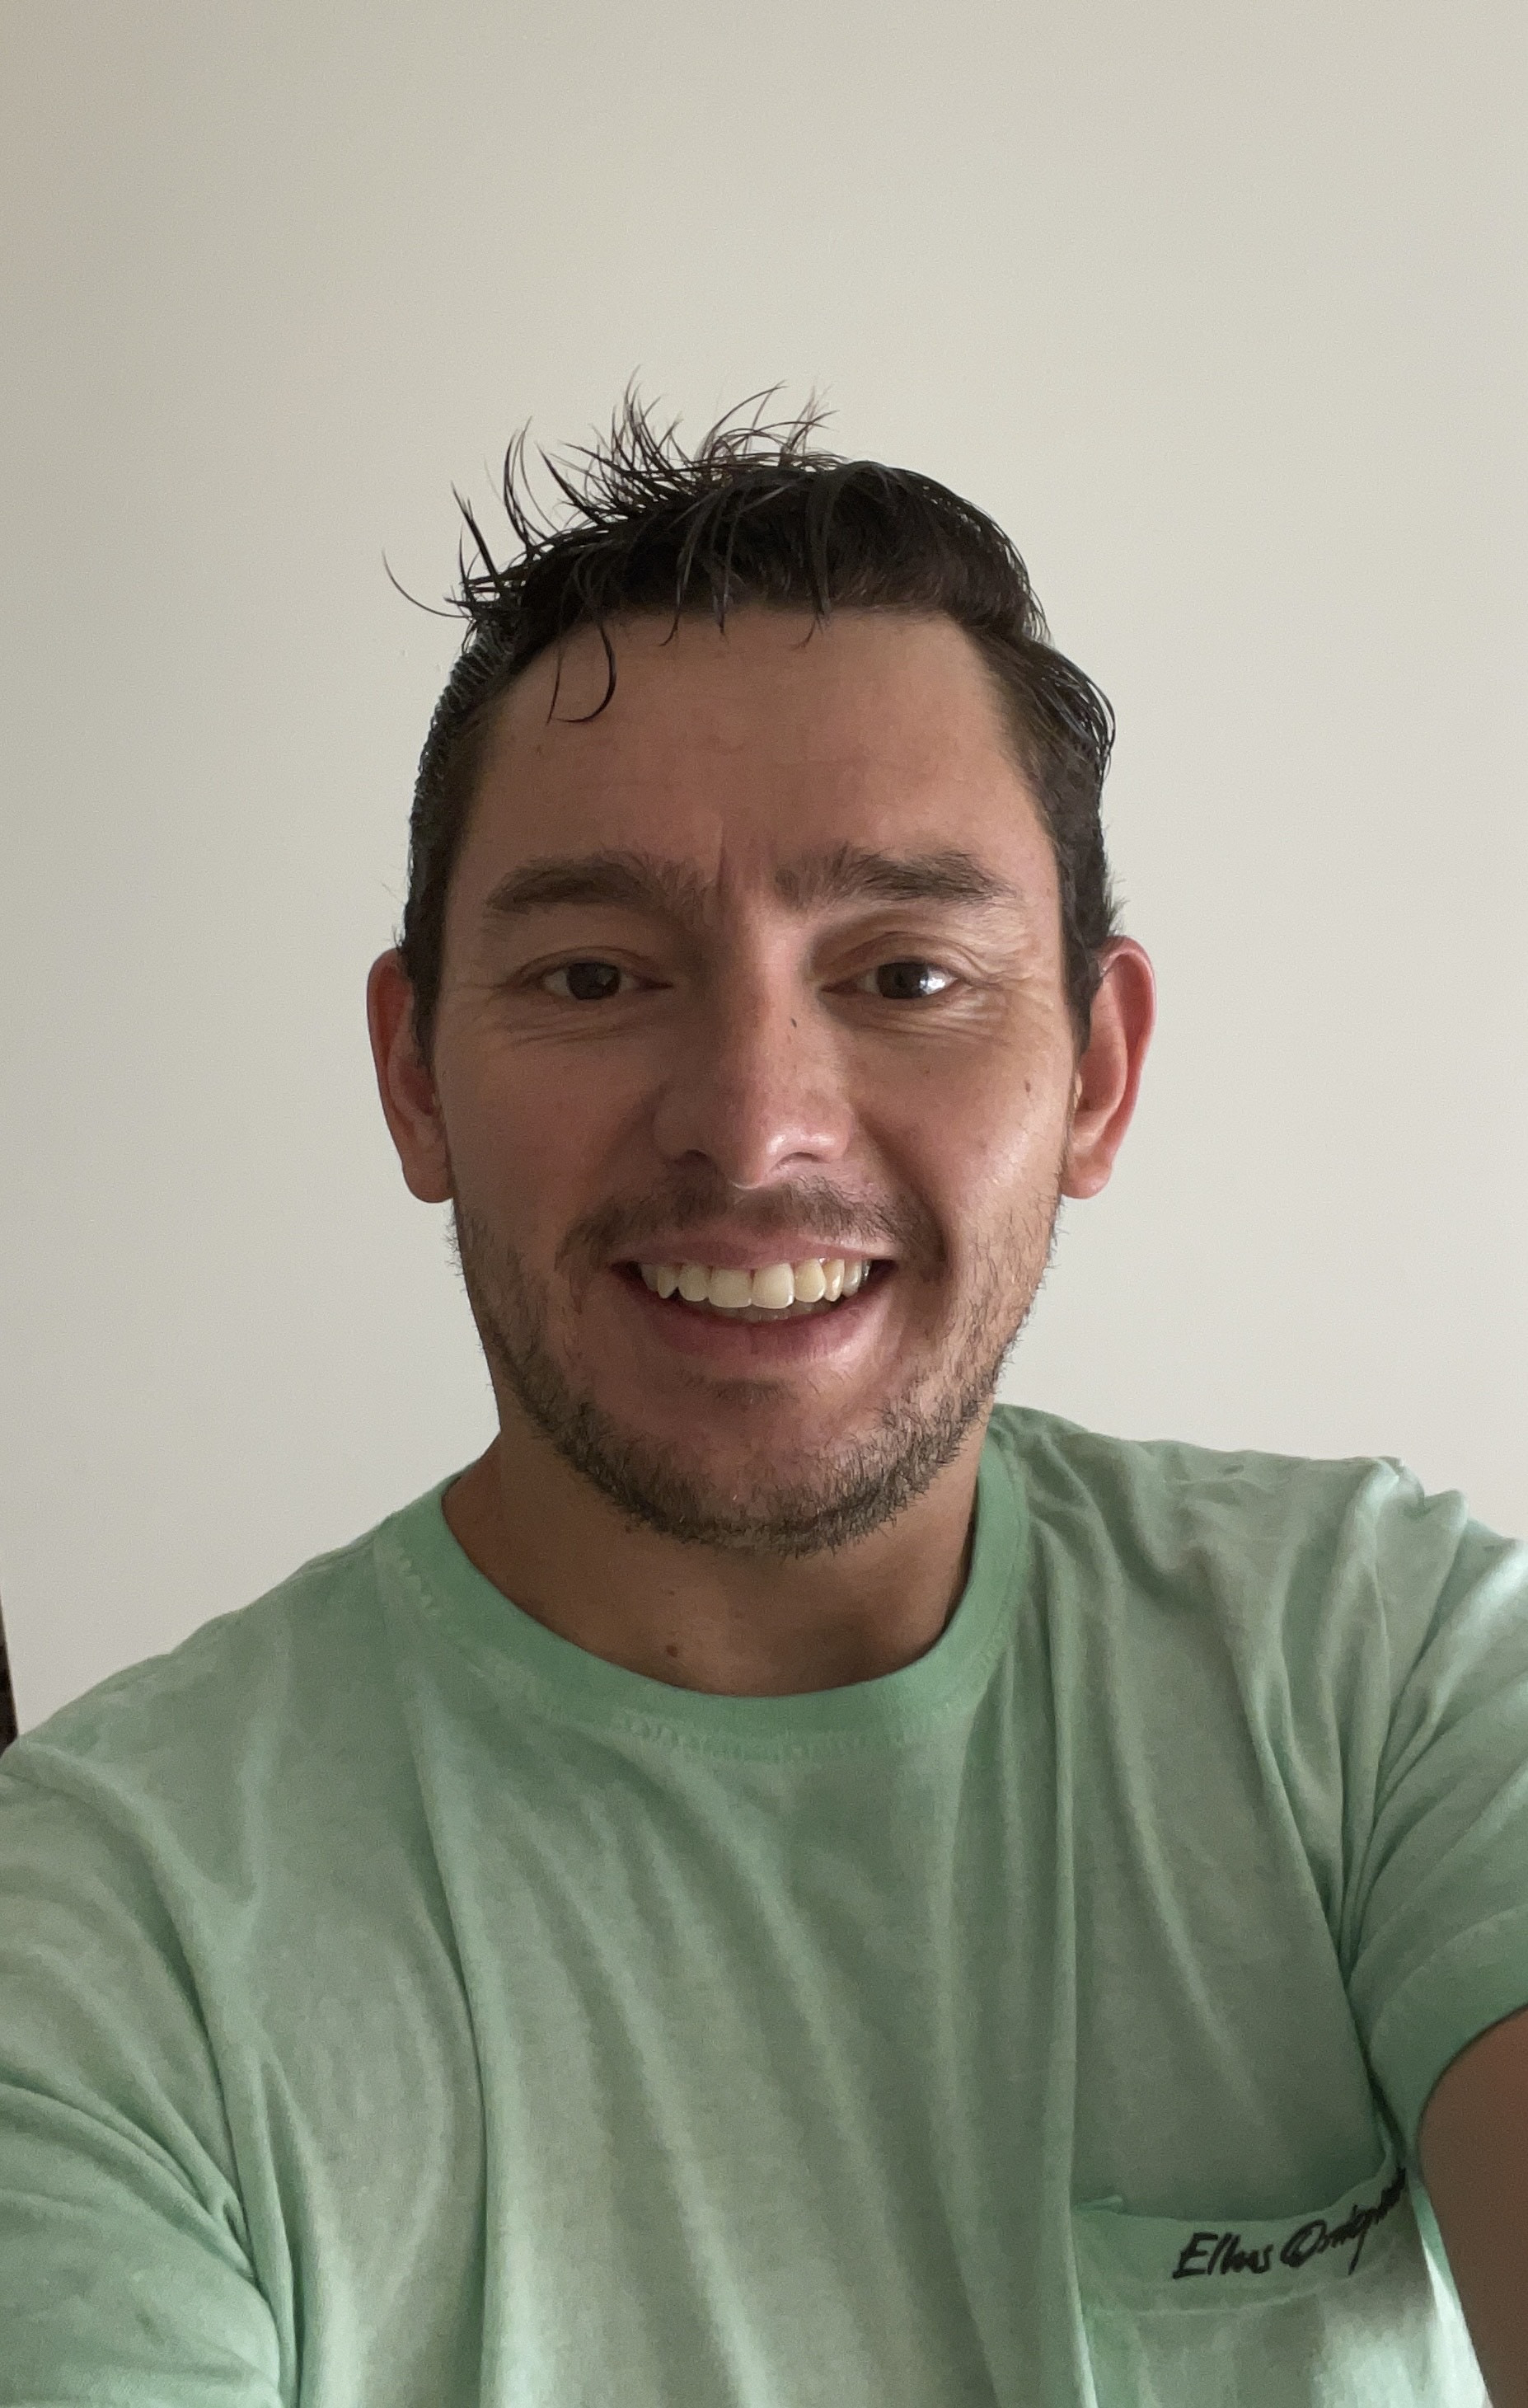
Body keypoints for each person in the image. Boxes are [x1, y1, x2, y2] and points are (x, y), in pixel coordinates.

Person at [1, 394, 1524, 2408]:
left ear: (1097, 1071)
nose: (752, 1125)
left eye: (905, 977)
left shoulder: (1388, 1674)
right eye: (595, 976)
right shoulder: (100, 1932)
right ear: (416, 1076)